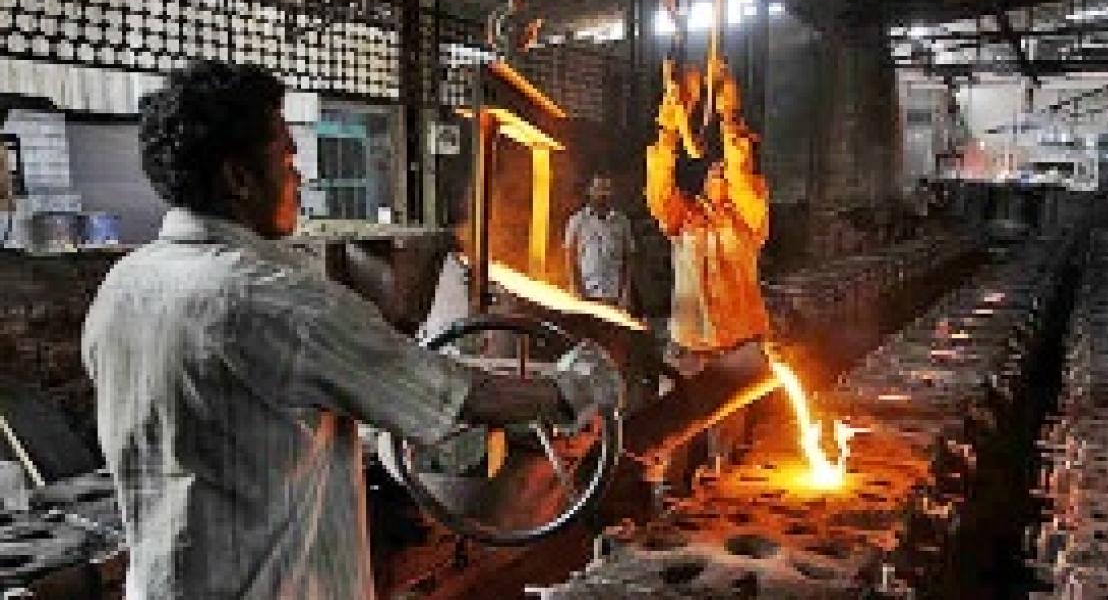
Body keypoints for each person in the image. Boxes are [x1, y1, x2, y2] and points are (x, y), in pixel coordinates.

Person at [81, 61, 615, 600]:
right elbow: (454, 395)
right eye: (286, 158)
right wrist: (569, 389)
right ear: (239, 178)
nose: (299, 177)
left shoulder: (120, 289)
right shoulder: (279, 300)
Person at [646, 59, 770, 364]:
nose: (719, 169)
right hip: (690, 351)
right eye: (715, 167)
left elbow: (740, 172)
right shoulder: (683, 218)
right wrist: (669, 128)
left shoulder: (748, 217)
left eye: (724, 167)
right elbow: (658, 190)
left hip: (741, 350)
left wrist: (728, 113)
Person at [565, 175, 635, 309]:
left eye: (606, 189)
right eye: (598, 189)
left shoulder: (622, 222)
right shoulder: (577, 221)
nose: (603, 194)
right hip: (586, 293)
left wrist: (626, 292)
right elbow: (570, 257)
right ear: (590, 191)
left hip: (613, 295)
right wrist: (574, 287)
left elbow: (628, 259)